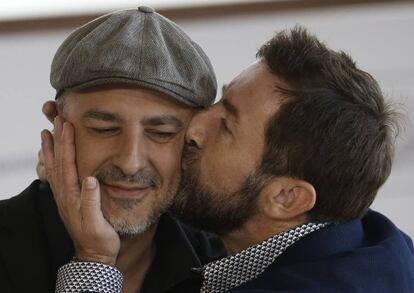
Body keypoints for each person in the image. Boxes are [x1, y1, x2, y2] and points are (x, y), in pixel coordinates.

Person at [48, 27, 414, 292]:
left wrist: (93, 261)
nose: (193, 128)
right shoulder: (380, 243)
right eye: (221, 101)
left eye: (226, 125)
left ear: (287, 198)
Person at [0, 7, 225, 293]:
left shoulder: (221, 267)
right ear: (56, 124)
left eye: (161, 134)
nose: (130, 163)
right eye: (104, 129)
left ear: (194, 140)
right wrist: (94, 260)